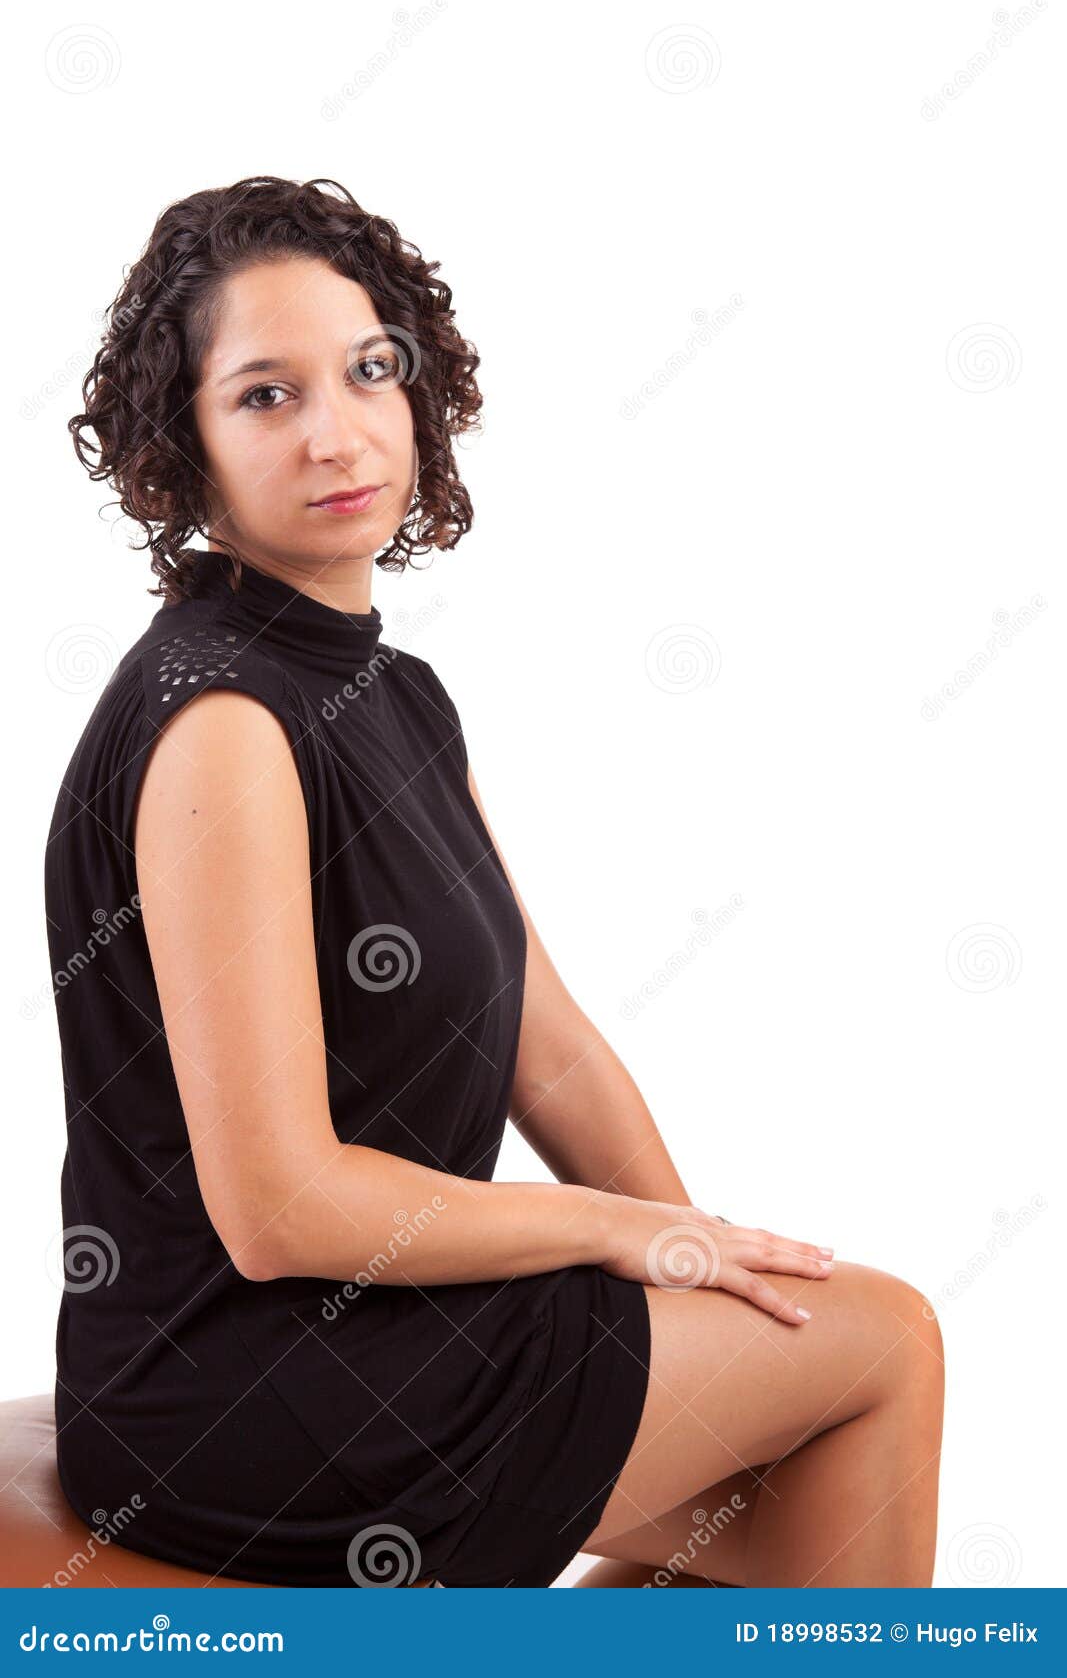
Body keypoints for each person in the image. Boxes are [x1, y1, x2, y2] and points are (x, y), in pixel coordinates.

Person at [47, 176, 943, 1589]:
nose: (338, 430)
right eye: (266, 396)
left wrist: (709, 1258)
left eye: (369, 370)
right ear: (187, 448)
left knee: (796, 1403)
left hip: (393, 1328)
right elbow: (281, 1207)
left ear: (421, 387)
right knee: (887, 1343)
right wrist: (619, 1234)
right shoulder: (220, 719)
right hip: (240, 1380)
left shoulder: (392, 695)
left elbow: (555, 1051)